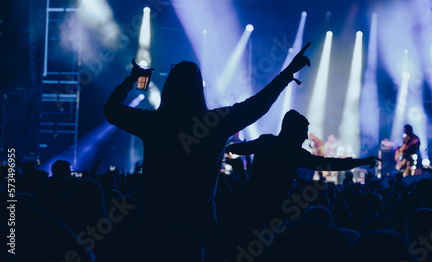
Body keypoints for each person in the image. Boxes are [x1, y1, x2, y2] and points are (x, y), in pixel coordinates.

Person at [103, 43, 311, 260]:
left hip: (153, 227)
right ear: (198, 90)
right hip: (201, 227)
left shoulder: (155, 122)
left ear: (169, 89)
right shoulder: (213, 123)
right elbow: (258, 105)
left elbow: (111, 110)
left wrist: (131, 80)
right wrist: (287, 73)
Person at [225, 109, 380, 223]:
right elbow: (329, 164)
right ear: (292, 130)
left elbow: (237, 149)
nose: (306, 137)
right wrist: (361, 162)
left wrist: (221, 145)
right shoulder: (294, 153)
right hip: (274, 214)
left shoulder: (266, 142)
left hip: (250, 208)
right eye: (303, 132)